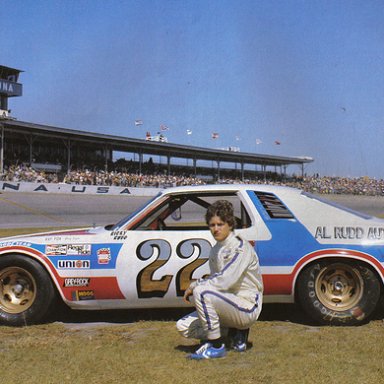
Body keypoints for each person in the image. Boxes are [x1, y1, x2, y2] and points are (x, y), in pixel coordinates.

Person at [176, 200, 263, 359]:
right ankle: (233, 333)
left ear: (230, 224)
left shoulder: (239, 246)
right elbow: (217, 280)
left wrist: (196, 285)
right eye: (212, 225)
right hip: (227, 303)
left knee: (201, 292)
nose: (215, 229)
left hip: (247, 305)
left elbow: (224, 281)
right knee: (182, 326)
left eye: (220, 224)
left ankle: (216, 346)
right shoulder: (217, 248)